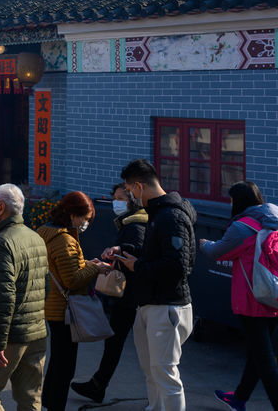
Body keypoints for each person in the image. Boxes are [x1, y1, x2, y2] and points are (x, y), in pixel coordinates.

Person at [199, 181, 278, 411]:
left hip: (253, 301)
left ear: (239, 201)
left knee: (265, 360)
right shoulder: (276, 221)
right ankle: (239, 397)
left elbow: (216, 251)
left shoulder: (242, 227)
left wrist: (204, 243)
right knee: (258, 353)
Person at [114, 159, 196, 411]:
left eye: (129, 191)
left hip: (167, 307)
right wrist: (126, 252)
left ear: (139, 186)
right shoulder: (158, 214)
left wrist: (137, 266)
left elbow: (176, 267)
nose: (129, 197)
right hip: (151, 304)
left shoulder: (170, 217)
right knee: (152, 371)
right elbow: (156, 254)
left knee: (165, 375)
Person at [0, 183, 48, 411]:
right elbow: (46, 287)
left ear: (1, 208)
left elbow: (3, 299)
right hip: (37, 331)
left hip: (12, 335)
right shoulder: (35, 237)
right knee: (30, 396)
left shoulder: (2, 244)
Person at [73, 184, 147, 403]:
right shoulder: (130, 222)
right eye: (114, 198)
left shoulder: (136, 225)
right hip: (129, 293)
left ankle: (99, 384)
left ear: (133, 200)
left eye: (120, 198)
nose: (116, 202)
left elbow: (135, 250)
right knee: (115, 340)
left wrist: (118, 253)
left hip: (131, 294)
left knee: (117, 341)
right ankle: (98, 383)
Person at [39, 191, 108, 411]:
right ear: (71, 214)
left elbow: (60, 269)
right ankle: (55, 406)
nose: (86, 223)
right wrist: (96, 269)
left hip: (51, 304)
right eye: (84, 218)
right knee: (65, 367)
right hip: (64, 309)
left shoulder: (45, 231)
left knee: (57, 360)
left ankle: (49, 403)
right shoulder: (65, 240)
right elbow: (71, 280)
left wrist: (86, 264)